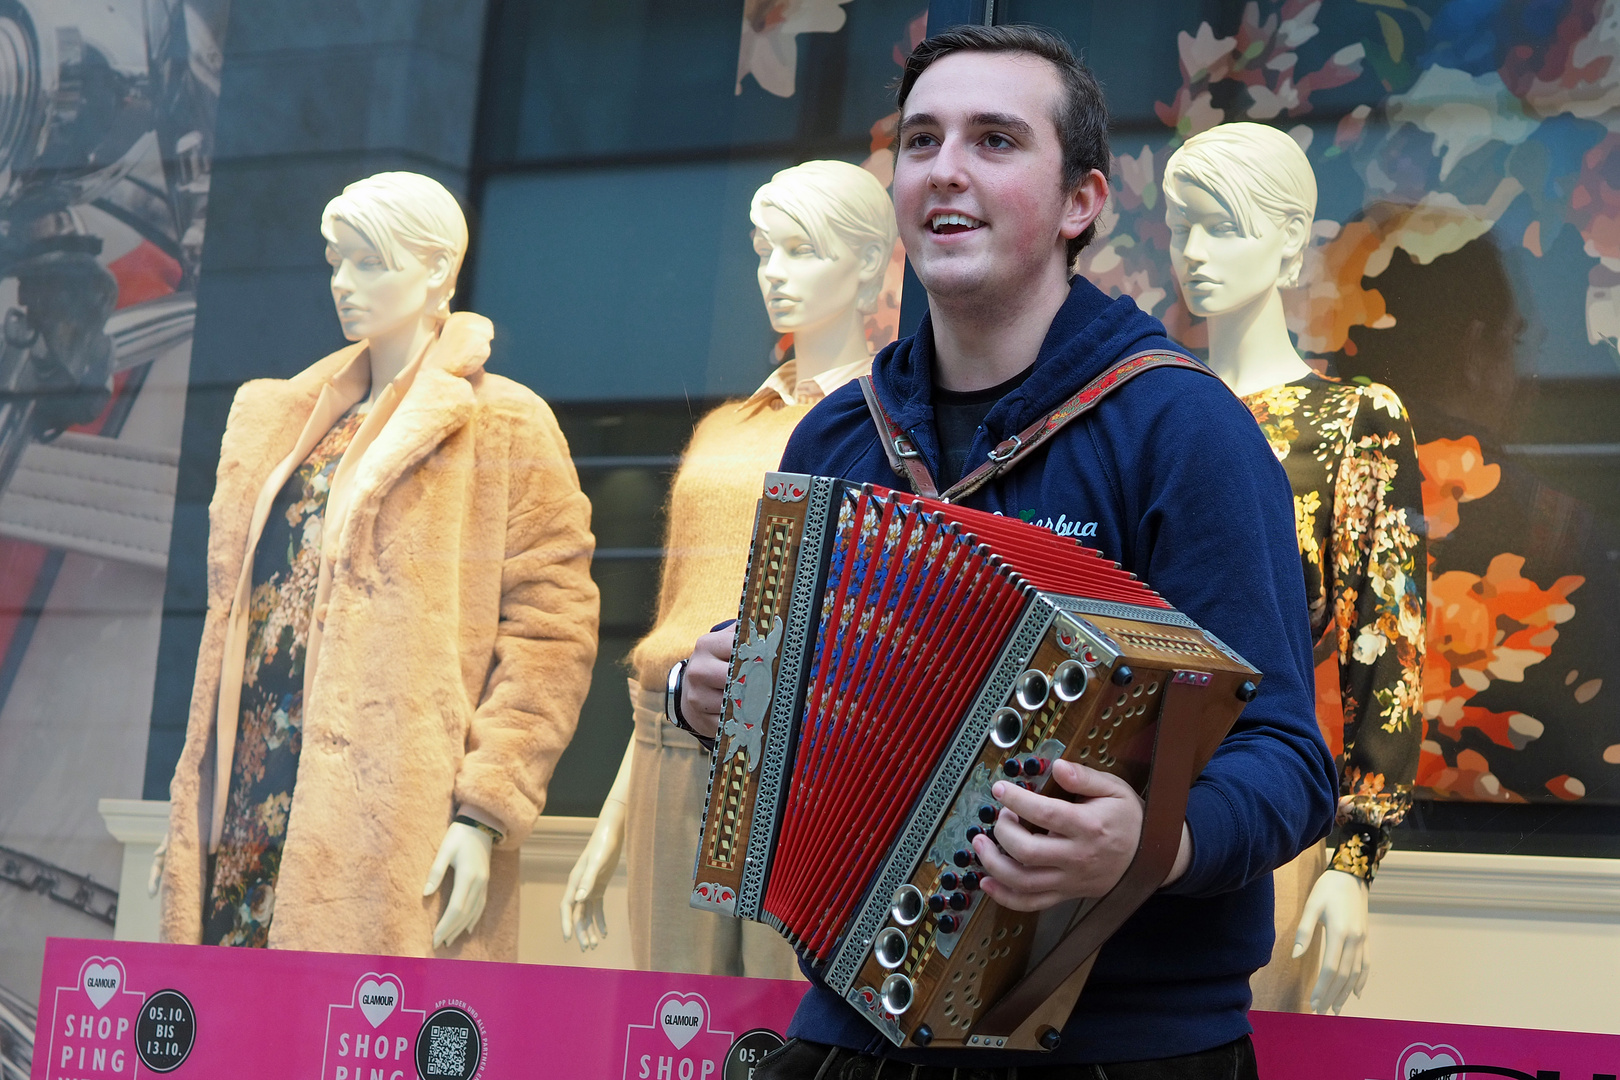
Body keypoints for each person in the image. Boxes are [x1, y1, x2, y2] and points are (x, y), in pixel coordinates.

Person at [674, 26, 1336, 1076]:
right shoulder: (838, 438)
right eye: (923, 140)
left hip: (1122, 1045)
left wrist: (1151, 846)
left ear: (1081, 201)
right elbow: (800, 716)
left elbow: (1293, 762)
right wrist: (708, 691)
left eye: (994, 141)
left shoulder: (1180, 427)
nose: (945, 168)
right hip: (853, 1025)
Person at [155, 172, 599, 958]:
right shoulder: (283, 419)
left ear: (435, 270)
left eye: (368, 262)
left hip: (389, 814)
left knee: (353, 1037)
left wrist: (484, 809)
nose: (342, 283)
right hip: (252, 801)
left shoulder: (501, 423)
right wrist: (193, 811)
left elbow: (552, 631)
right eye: (335, 261)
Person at [560, 160, 897, 976]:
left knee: (779, 1023)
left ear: (866, 267)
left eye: (802, 250)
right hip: (670, 746)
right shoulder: (722, 430)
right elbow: (670, 636)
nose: (775, 273)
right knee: (672, 1020)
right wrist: (617, 806)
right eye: (763, 250)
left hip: (807, 762)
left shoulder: (888, 431)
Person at [1163, 124, 1426, 1016]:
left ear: (1286, 242)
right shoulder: (1151, 413)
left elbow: (1384, 649)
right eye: (1179, 227)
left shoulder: (1352, 423)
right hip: (1113, 803)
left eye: (1221, 226)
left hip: (1266, 800)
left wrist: (1354, 864)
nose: (1194, 254)